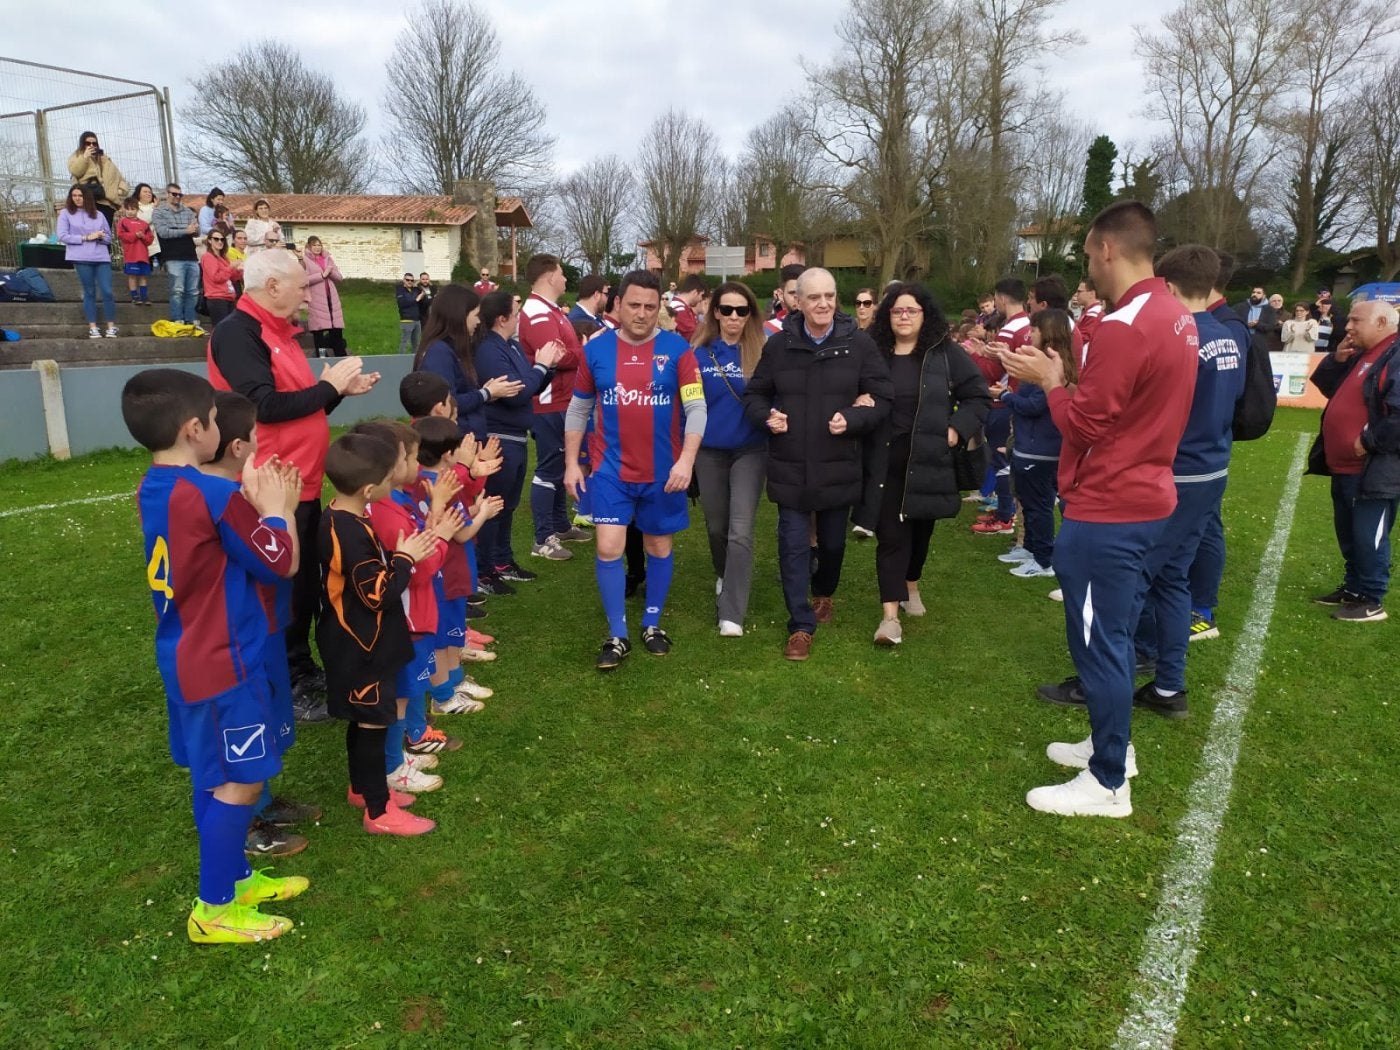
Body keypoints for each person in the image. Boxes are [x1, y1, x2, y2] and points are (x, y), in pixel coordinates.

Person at [1000, 200, 1197, 818]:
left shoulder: (1123, 324)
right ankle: (1110, 747)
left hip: (1110, 508)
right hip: (1144, 497)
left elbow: (1085, 423)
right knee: (1110, 632)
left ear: (1107, 249)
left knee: (1099, 643)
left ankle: (1109, 781)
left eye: (1087, 254)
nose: (1088, 265)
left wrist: (1050, 382)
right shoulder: (1174, 313)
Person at [121, 367, 307, 943]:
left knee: (212, 773)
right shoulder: (216, 494)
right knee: (243, 782)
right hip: (228, 661)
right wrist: (279, 509)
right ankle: (214, 910)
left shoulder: (153, 488)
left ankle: (236, 876)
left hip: (184, 654)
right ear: (196, 428)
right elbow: (280, 562)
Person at [208, 248, 382, 723]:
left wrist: (336, 393)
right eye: (301, 285)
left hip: (300, 481)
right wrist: (329, 389)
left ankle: (301, 669)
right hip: (273, 486)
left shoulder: (281, 333)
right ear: (272, 287)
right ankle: (290, 677)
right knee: (285, 586)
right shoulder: (238, 333)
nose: (308, 294)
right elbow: (260, 406)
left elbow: (300, 408)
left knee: (305, 585)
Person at [1113, 244, 1245, 721]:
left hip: (1177, 471)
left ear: (1166, 287)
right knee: (1173, 579)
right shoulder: (1230, 334)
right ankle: (1169, 687)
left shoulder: (1182, 335)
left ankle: (1109, 682)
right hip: (1212, 466)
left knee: (1134, 578)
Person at [742, 267, 894, 661]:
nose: (823, 304)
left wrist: (855, 418)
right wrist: (766, 416)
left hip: (839, 463)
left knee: (832, 544)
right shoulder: (780, 346)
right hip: (790, 462)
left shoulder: (858, 345)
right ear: (798, 301)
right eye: (814, 297)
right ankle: (800, 624)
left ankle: (824, 592)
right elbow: (755, 395)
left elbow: (883, 396)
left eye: (829, 296)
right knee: (792, 544)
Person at [563, 269, 706, 670]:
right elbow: (579, 408)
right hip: (610, 473)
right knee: (609, 548)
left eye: (650, 306)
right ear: (618, 305)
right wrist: (573, 463)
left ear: (659, 306)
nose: (642, 314)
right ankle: (617, 633)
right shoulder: (596, 351)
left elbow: (696, 407)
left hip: (664, 474)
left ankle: (652, 623)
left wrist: (687, 460)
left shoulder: (678, 350)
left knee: (658, 546)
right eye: (634, 305)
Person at [203, 391, 321, 858]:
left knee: (268, 712)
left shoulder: (237, 493)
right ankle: (248, 821)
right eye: (255, 437)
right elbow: (282, 561)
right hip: (241, 635)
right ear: (237, 448)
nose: (260, 445)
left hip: (265, 623)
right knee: (244, 727)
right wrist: (282, 510)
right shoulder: (229, 502)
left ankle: (265, 799)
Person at [318, 431, 437, 836]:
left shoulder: (340, 514)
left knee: (363, 720)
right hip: (359, 647)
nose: (393, 484)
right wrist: (405, 559)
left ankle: (360, 788)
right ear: (370, 489)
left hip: (358, 642)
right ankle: (378, 810)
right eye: (390, 478)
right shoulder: (349, 531)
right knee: (371, 724)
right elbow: (376, 595)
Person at [867, 283, 991, 645]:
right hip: (885, 460)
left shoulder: (945, 354)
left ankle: (912, 582)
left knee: (920, 533)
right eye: (896, 310)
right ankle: (890, 619)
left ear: (925, 315)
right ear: (887, 316)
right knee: (891, 536)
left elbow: (978, 396)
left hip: (929, 459)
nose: (904, 316)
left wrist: (957, 427)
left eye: (912, 310)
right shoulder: (873, 353)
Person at [355, 420, 463, 795]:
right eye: (410, 457)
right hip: (407, 618)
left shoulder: (395, 502)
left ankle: (400, 753)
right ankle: (393, 766)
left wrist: (432, 520)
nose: (415, 465)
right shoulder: (386, 512)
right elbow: (418, 568)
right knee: (399, 696)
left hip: (414, 614)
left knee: (403, 693)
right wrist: (442, 535)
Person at [1308, 300, 1400, 623]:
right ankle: (1354, 588)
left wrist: (1367, 441)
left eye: (1355, 321)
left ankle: (1372, 598)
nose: (1347, 327)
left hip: (1373, 471)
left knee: (1368, 535)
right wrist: (1337, 359)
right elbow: (1323, 384)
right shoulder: (1362, 353)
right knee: (1348, 533)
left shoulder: (1396, 355)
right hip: (1344, 467)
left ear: (1381, 323)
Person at [691, 281, 769, 637]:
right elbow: (687, 406)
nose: (734, 316)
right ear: (716, 313)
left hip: (751, 450)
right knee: (716, 527)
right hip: (709, 451)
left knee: (740, 530)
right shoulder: (699, 354)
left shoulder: (763, 352)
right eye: (727, 310)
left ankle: (732, 613)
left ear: (751, 314)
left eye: (742, 310)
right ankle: (724, 573)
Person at [474, 291, 565, 593]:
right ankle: (484, 570)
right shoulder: (489, 349)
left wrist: (547, 367)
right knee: (493, 505)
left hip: (515, 437)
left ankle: (501, 561)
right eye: (516, 313)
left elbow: (530, 385)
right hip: (498, 437)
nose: (520, 318)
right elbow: (517, 392)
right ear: (502, 318)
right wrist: (540, 368)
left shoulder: (508, 345)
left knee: (507, 505)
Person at [517, 254, 590, 560]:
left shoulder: (550, 311)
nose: (565, 279)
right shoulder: (537, 313)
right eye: (561, 273)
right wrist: (583, 351)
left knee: (560, 464)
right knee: (549, 468)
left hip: (562, 399)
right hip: (548, 402)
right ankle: (542, 538)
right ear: (548, 277)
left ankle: (560, 525)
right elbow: (556, 356)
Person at [1000, 308, 1074, 580]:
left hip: (1041, 451)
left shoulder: (1056, 367)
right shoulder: (1039, 362)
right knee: (1029, 503)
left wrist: (1005, 397)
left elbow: (1034, 405)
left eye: (1034, 330)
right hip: (1027, 446)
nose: (1030, 334)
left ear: (1047, 333)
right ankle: (1030, 549)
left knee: (1039, 506)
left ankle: (1044, 560)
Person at [415, 283, 519, 441]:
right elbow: (446, 402)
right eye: (476, 315)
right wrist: (486, 393)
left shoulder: (450, 349)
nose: (478, 322)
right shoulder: (439, 353)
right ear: (460, 315)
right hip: (454, 443)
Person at [971, 277, 1031, 536]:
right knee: (1006, 456)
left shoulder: (1009, 329)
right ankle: (1006, 512)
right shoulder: (1028, 324)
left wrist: (973, 355)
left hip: (1002, 399)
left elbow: (992, 372)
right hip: (1019, 397)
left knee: (1000, 457)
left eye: (995, 299)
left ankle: (1005, 516)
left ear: (1002, 298)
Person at [57, 185, 118, 340]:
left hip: (101, 258)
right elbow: (63, 235)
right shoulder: (65, 214)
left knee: (107, 291)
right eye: (74, 195)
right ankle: (93, 327)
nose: (77, 198)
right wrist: (85, 237)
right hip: (81, 258)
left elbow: (109, 237)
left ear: (87, 197)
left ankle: (111, 327)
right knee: (89, 291)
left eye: (80, 195)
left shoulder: (99, 214)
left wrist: (100, 237)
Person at [151, 184, 201, 329]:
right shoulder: (159, 212)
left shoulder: (187, 211)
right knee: (177, 290)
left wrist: (189, 230)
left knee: (193, 291)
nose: (177, 197)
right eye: (174, 194)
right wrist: (185, 230)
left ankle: (191, 319)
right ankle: (177, 319)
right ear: (167, 194)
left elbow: (196, 231)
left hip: (191, 255)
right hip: (172, 256)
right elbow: (163, 232)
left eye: (180, 195)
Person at [65, 131, 129, 226]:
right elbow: (75, 171)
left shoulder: (105, 160)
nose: (91, 145)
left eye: (94, 143)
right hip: (86, 201)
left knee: (104, 234)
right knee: (88, 232)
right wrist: (85, 157)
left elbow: (120, 178)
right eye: (87, 143)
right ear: (82, 144)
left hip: (105, 203)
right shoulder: (77, 156)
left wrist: (118, 191)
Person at [302, 237, 347, 357]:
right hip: (317, 300)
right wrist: (322, 275)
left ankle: (340, 356)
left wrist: (330, 272)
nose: (317, 248)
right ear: (309, 247)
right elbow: (303, 280)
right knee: (319, 331)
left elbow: (339, 278)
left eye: (319, 245)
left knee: (336, 330)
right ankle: (321, 356)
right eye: (314, 245)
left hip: (331, 299)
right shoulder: (305, 261)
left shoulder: (328, 259)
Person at [115, 196, 155, 306]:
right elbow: (121, 235)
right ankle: (135, 296)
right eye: (128, 209)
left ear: (137, 209)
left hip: (143, 255)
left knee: (143, 276)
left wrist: (142, 237)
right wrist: (134, 235)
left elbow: (150, 239)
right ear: (124, 209)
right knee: (132, 276)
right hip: (131, 255)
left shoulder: (144, 224)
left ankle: (144, 297)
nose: (130, 212)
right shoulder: (123, 222)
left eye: (133, 209)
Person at [199, 227, 242, 325]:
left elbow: (233, 278)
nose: (220, 242)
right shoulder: (208, 257)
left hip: (228, 296)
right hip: (217, 297)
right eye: (216, 239)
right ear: (209, 240)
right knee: (220, 329)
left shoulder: (224, 258)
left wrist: (239, 270)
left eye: (222, 239)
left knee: (228, 329)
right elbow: (216, 278)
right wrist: (231, 267)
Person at [1235, 286, 1281, 358]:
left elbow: (1270, 327)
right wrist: (1246, 324)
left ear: (1264, 296)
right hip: (1243, 340)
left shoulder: (1269, 310)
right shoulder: (1241, 306)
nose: (1255, 294)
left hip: (1260, 343)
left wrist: (1257, 324)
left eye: (1258, 293)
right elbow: (1235, 321)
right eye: (1253, 292)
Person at [764, 263, 805, 336]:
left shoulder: (826, 328)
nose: (798, 298)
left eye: (803, 292)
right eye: (793, 293)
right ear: (780, 295)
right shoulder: (766, 331)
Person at [133, 183, 162, 267]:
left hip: (157, 243)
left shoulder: (155, 206)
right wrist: (154, 208)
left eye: (150, 192)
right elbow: (145, 221)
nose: (148, 194)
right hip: (143, 243)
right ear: (138, 194)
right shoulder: (135, 207)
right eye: (145, 192)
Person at [671, 274, 706, 342]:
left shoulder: (684, 308)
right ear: (695, 293)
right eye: (701, 295)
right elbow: (693, 335)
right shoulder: (679, 309)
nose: (701, 299)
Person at [1072, 278, 1103, 354]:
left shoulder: (1093, 313)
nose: (1076, 294)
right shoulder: (1091, 312)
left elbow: (1081, 340)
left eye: (1079, 291)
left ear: (1091, 293)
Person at [396, 273, 425, 354]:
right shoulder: (400, 291)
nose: (410, 282)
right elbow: (403, 303)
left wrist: (420, 282)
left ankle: (414, 361)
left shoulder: (415, 290)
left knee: (416, 344)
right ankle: (400, 359)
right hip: (406, 320)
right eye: (407, 280)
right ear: (403, 280)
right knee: (405, 342)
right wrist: (416, 299)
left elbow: (425, 287)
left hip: (416, 320)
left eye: (412, 280)